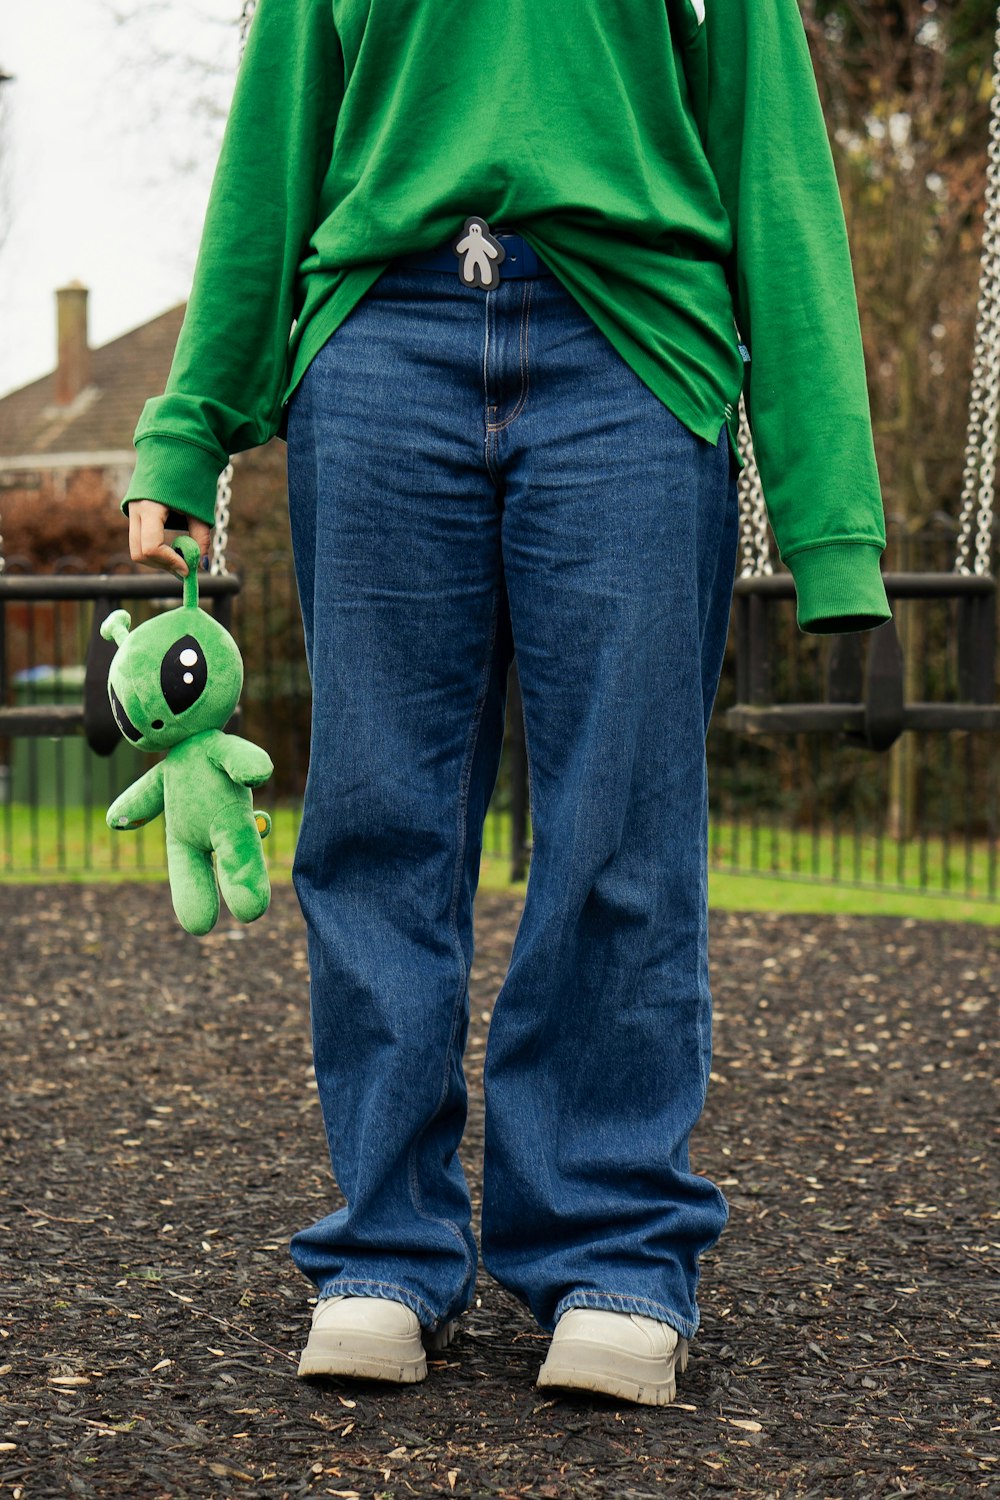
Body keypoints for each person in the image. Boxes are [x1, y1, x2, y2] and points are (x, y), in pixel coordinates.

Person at [123, 0, 892, 1406]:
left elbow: (776, 168)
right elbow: (276, 141)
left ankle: (613, 1248)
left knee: (617, 830)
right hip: (377, 345)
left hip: (634, 343)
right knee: (374, 819)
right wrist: (189, 420)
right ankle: (387, 1248)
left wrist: (831, 519)